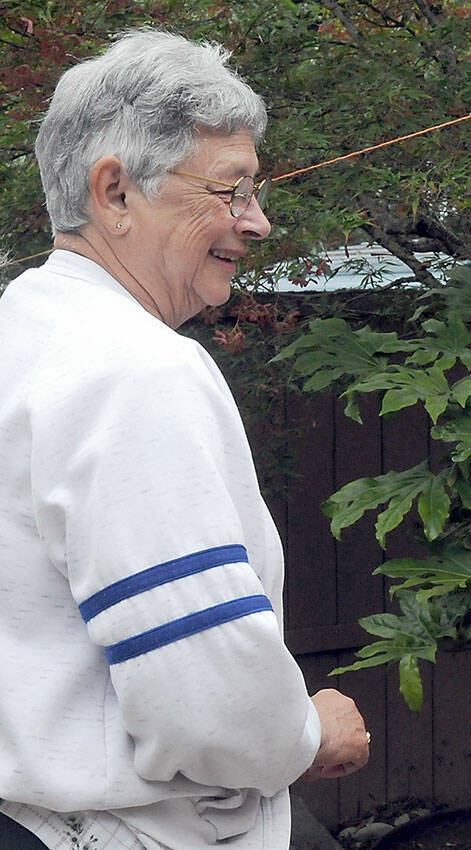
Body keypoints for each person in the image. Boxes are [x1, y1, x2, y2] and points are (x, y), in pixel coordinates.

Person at [0, 30, 369, 850]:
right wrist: (306, 736)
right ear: (116, 194)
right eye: (232, 191)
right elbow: (208, 699)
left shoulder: (22, 332)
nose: (259, 221)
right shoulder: (135, 370)